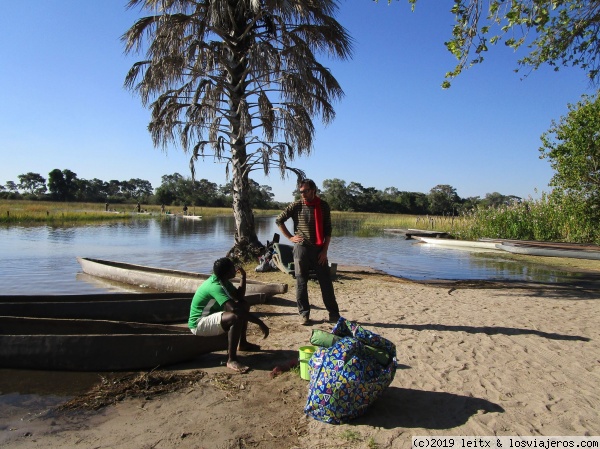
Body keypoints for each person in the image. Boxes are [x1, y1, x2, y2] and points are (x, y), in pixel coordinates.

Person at [276, 179, 341, 325]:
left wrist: (324, 251)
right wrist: (290, 237)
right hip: (301, 249)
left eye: (305, 191)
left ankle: (334, 314)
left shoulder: (323, 206)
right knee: (301, 282)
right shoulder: (296, 205)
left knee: (326, 282)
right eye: (300, 192)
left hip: (319, 250)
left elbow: (328, 229)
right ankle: (304, 314)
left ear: (313, 190)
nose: (302, 194)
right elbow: (279, 220)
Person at [188, 257, 269, 373]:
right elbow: (235, 309)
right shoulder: (215, 286)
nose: (235, 269)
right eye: (232, 268)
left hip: (210, 317)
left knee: (244, 304)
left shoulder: (223, 281)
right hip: (198, 324)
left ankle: (243, 343)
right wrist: (260, 323)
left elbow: (239, 297)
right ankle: (231, 360)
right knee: (236, 317)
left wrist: (243, 277)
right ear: (227, 272)